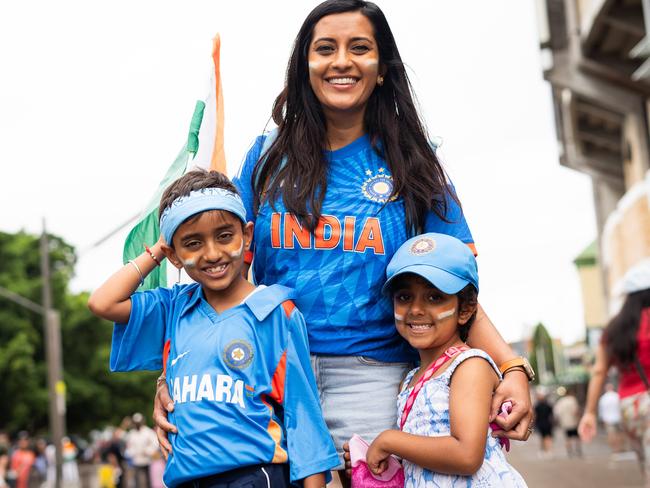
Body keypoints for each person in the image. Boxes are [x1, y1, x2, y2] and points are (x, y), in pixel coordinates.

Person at [154, 1, 534, 484]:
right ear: (304, 66)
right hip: (265, 373)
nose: (341, 62)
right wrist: (176, 373)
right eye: (325, 49)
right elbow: (215, 270)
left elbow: (453, 288)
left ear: (381, 68)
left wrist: (513, 367)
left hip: (374, 379)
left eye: (359, 48)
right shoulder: (266, 158)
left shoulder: (416, 166)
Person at [88, 169, 338, 488]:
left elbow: (303, 419)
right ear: (174, 256)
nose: (212, 253)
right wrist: (156, 252)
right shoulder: (173, 307)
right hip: (185, 479)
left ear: (246, 236)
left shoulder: (276, 313)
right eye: (192, 243)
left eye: (224, 235)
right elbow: (103, 303)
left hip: (255, 475)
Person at [363, 233, 526, 486]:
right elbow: (423, 452)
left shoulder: (469, 366)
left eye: (434, 297)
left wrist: (388, 441)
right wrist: (379, 457)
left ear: (465, 310)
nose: (416, 309)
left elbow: (466, 455)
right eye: (405, 297)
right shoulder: (409, 380)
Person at [578, 259, 650, 482]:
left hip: (629, 408)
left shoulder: (614, 329)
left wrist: (589, 412)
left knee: (645, 464)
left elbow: (599, 371)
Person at [124, 414, 157, 488]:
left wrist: (148, 451)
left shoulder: (147, 432)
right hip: (136, 460)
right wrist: (132, 453)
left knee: (148, 480)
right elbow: (129, 446)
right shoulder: (132, 433)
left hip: (147, 460)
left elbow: (155, 443)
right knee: (137, 481)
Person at [553, 388, 582, 457]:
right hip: (574, 422)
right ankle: (578, 450)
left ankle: (569, 451)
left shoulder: (561, 401)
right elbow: (575, 411)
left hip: (565, 422)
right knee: (576, 437)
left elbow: (557, 412)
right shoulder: (572, 400)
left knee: (568, 438)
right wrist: (579, 419)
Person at [598, 383, 624, 454]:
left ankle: (614, 448)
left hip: (608, 419)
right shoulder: (617, 396)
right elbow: (621, 406)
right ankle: (619, 447)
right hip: (618, 417)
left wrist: (602, 419)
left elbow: (601, 410)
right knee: (619, 433)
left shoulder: (603, 398)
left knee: (610, 434)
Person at [533, 390, 554, 457]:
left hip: (541, 423)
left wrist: (533, 423)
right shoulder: (548, 405)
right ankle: (548, 450)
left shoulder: (537, 406)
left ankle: (544, 450)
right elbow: (552, 415)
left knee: (543, 438)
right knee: (547, 437)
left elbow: (535, 415)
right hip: (547, 423)